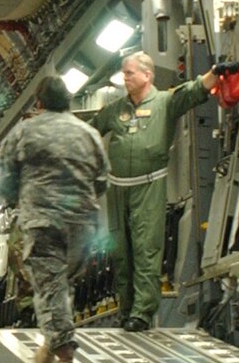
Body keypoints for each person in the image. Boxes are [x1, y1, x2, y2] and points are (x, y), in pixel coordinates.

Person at [92, 51, 223, 331]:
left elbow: (194, 91)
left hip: (148, 186)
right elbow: (90, 131)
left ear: (147, 75)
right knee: (121, 252)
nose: (125, 78)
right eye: (124, 74)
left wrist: (216, 72)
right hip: (118, 190)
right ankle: (126, 308)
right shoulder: (116, 110)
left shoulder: (164, 102)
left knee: (145, 249)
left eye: (129, 73)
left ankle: (142, 312)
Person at [0, 73, 107, 363]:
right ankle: (49, 347)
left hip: (43, 223)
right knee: (61, 288)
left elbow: (5, 179)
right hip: (83, 225)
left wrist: (18, 198)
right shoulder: (89, 134)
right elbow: (102, 181)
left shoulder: (23, 132)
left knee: (51, 290)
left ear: (39, 103)